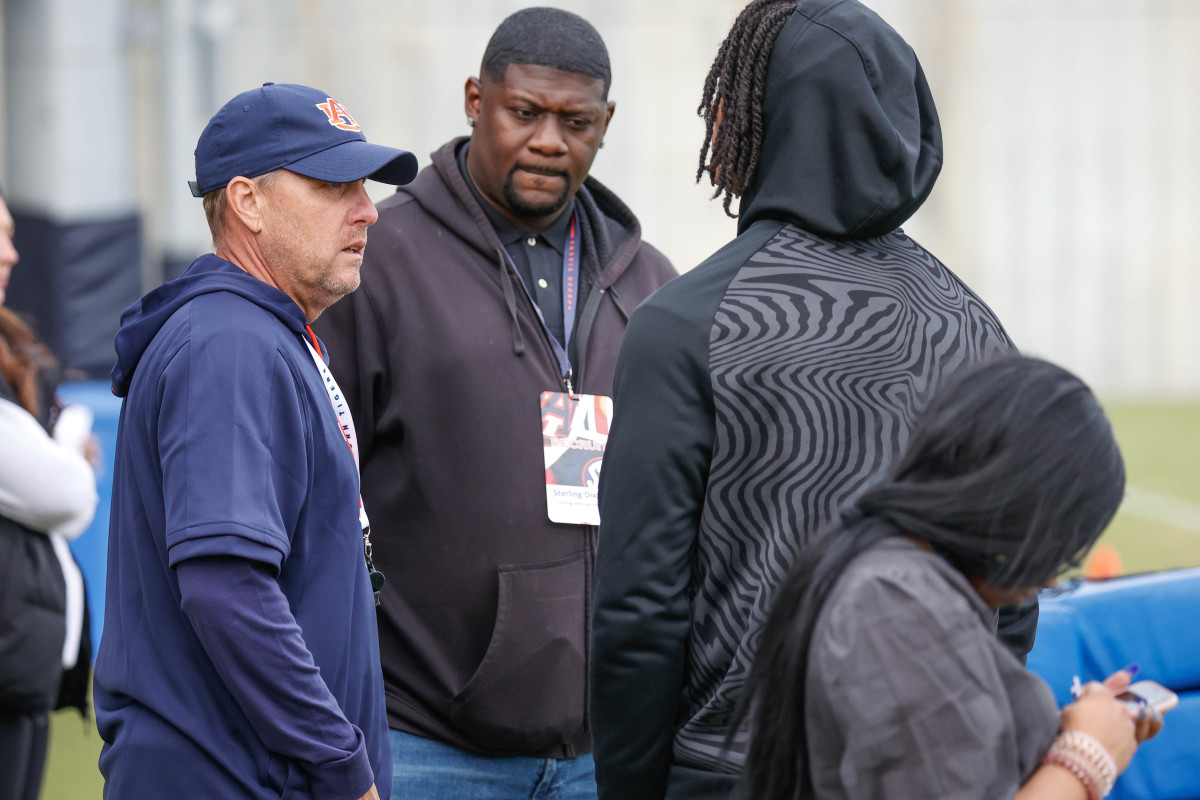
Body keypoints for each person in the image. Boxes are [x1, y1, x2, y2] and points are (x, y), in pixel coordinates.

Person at [589, 1, 1027, 798]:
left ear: (763, 114)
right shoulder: (977, 328)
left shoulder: (686, 323)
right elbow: (1014, 587)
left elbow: (642, 610)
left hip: (735, 774)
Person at [312, 8, 676, 799]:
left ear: (606, 124)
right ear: (475, 99)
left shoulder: (650, 286)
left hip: (601, 753)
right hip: (422, 744)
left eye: (576, 121)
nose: (550, 141)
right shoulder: (377, 263)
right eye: (525, 113)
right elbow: (317, 495)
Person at [93, 83, 418, 800]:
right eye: (335, 184)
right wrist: (341, 767)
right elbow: (227, 588)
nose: (366, 208)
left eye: (363, 186)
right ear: (247, 201)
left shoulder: (262, 335)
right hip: (230, 778)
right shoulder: (230, 344)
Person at [737, 355, 1163, 800]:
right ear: (1010, 503)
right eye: (1056, 544)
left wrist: (1083, 727)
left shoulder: (902, 574)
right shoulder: (895, 604)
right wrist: (1087, 756)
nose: (1053, 579)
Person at [0, 187, 98, 800]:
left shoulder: (15, 352)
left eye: (11, 236)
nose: (10, 255)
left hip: (19, 672)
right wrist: (68, 447)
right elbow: (67, 493)